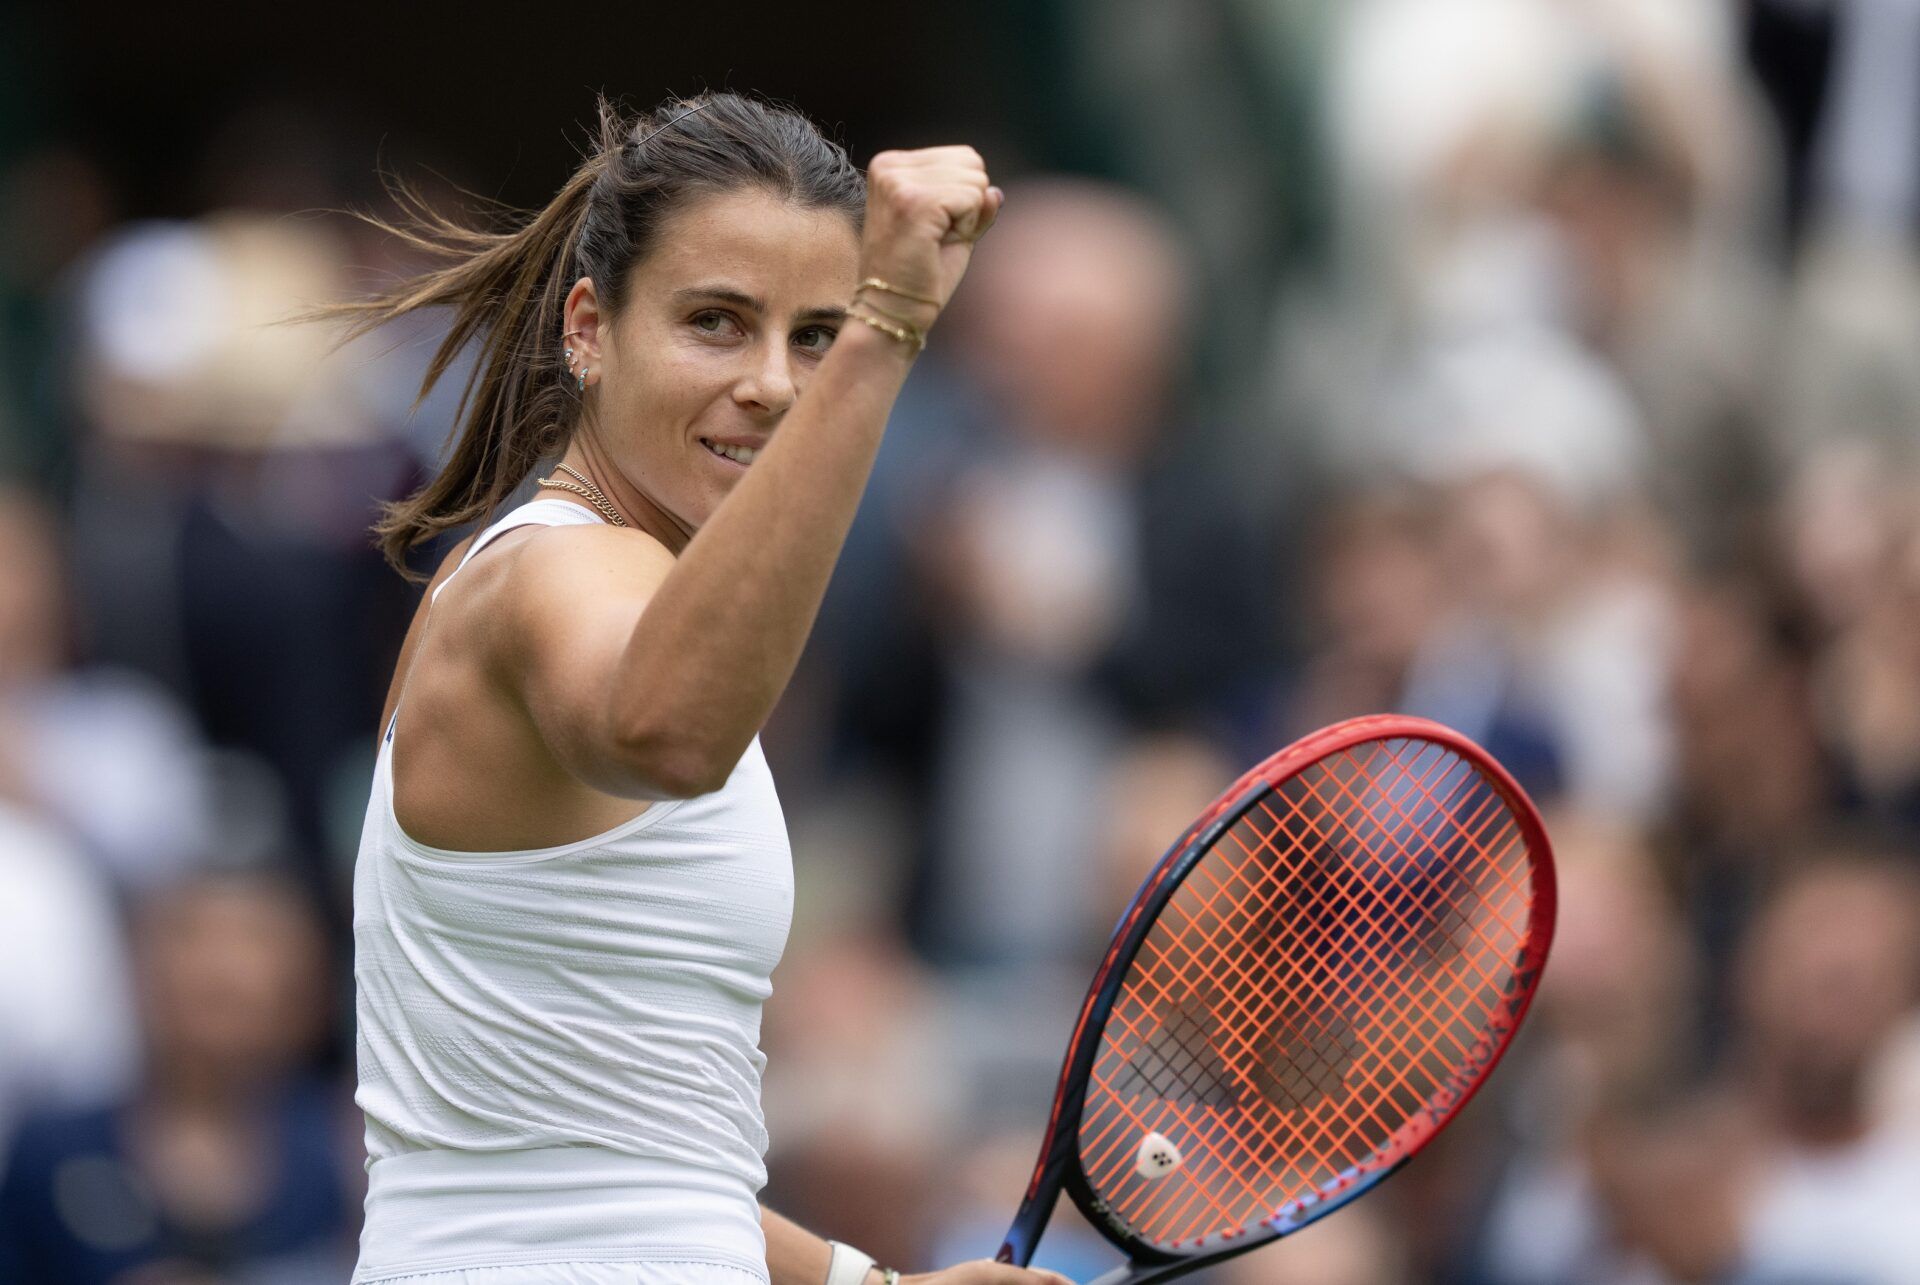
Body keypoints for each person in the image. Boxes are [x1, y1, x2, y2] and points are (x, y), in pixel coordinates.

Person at [304, 91, 1069, 1285]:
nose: (773, 381)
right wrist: (889, 325)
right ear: (588, 329)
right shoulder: (552, 575)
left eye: (815, 334)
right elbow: (667, 734)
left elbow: (619, 1165)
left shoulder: (635, 592)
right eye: (718, 322)